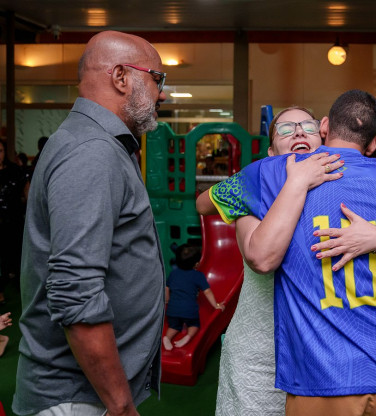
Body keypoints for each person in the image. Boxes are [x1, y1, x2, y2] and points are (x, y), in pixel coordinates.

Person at [203, 90, 376, 416]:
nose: (298, 133)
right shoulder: (266, 174)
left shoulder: (268, 173)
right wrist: (294, 182)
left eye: (306, 127)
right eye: (285, 129)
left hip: (324, 367)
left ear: (323, 130)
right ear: (270, 151)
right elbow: (211, 210)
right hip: (357, 361)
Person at [13, 30, 167, 416]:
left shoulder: (98, 142)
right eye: (157, 78)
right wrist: (121, 405)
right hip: (76, 396)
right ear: (121, 77)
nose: (162, 94)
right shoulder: (92, 151)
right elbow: (75, 292)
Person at [163, 244, 225, 351]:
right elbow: (207, 292)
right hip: (189, 310)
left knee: (173, 326)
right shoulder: (198, 276)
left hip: (172, 309)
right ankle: (188, 336)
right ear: (196, 264)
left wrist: (167, 300)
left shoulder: (173, 274)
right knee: (194, 325)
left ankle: (167, 338)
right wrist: (216, 305)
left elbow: (166, 288)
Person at [0, 139, 28, 305]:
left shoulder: (14, 170)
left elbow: (27, 189)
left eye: (0, 151)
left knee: (16, 255)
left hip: (13, 220)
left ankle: (22, 289)